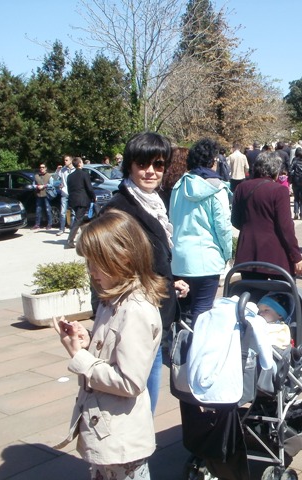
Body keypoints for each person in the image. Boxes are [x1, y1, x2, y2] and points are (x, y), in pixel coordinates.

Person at [53, 209, 166, 480]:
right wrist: (88, 340)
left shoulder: (135, 309)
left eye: (96, 263)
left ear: (123, 257)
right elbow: (115, 349)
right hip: (109, 430)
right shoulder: (113, 299)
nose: (91, 271)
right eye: (88, 263)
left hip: (121, 439)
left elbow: (129, 381)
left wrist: (80, 356)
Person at [101, 131, 188, 415]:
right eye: (143, 164)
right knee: (138, 399)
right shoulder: (119, 208)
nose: (151, 171)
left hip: (155, 311)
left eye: (158, 165)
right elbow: (108, 271)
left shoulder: (154, 201)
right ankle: (136, 456)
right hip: (134, 317)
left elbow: (152, 259)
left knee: (148, 390)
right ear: (130, 165)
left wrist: (170, 282)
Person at [169, 138, 233, 323]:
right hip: (206, 258)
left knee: (183, 312)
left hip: (180, 257)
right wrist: (226, 253)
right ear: (212, 161)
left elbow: (172, 219)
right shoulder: (217, 189)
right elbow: (223, 227)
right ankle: (197, 350)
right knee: (203, 311)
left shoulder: (179, 186)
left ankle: (181, 347)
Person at [231, 151, 302, 280]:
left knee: (251, 297)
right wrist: (296, 256)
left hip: (247, 251)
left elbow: (235, 220)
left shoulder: (242, 187)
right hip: (274, 254)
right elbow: (286, 227)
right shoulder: (279, 190)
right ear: (275, 170)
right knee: (281, 295)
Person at [65, 158, 96, 249]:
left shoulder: (69, 176)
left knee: (81, 220)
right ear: (79, 164)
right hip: (82, 200)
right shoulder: (84, 174)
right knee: (78, 220)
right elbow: (89, 188)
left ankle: (85, 238)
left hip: (73, 200)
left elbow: (69, 189)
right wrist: (93, 197)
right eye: (82, 162)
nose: (82, 163)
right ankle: (70, 240)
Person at [56, 155, 74, 236]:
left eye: (66, 160)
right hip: (64, 192)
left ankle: (73, 228)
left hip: (73, 193)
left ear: (71, 161)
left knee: (73, 212)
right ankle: (61, 229)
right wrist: (57, 170)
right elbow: (56, 177)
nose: (65, 162)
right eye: (64, 160)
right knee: (63, 212)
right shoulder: (63, 170)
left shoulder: (75, 169)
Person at [33, 163, 53, 230]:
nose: (41, 168)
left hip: (46, 194)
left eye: (43, 167)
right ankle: (37, 224)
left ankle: (49, 224)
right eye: (40, 167)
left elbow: (51, 185)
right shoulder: (36, 176)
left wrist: (44, 186)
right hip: (39, 194)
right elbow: (33, 184)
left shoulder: (49, 176)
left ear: (46, 168)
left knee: (48, 209)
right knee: (38, 210)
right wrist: (37, 186)